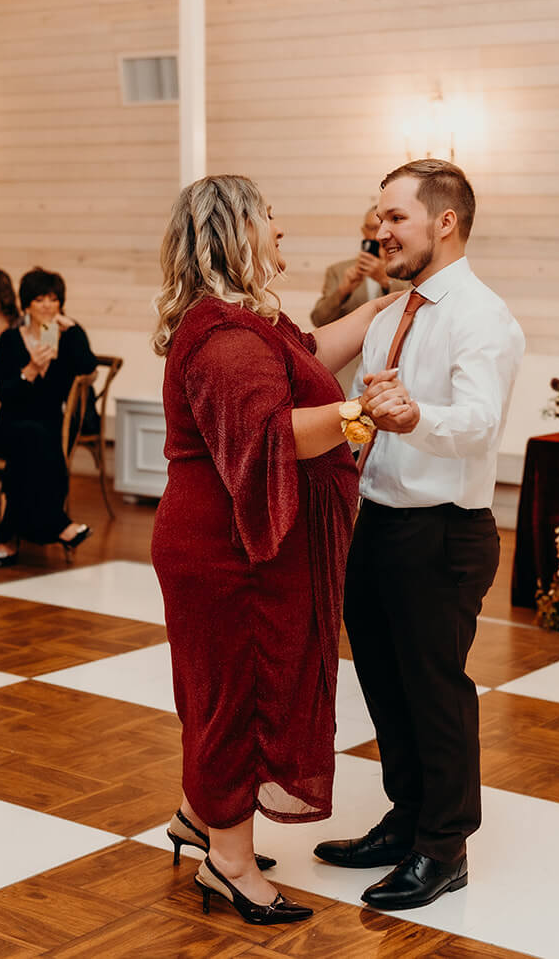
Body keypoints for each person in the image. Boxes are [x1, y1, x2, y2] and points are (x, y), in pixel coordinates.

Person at [150, 175, 404, 927]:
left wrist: (386, 307)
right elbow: (272, 437)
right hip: (227, 551)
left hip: (227, 541)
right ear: (235, 233)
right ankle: (228, 864)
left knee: (221, 686)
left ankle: (198, 815)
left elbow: (312, 350)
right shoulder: (225, 339)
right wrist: (362, 413)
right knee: (238, 694)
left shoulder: (246, 321)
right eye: (268, 217)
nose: (280, 228)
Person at [313, 159, 525, 912]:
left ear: (446, 221)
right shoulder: (392, 312)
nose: (381, 230)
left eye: (396, 216)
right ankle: (406, 817)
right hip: (378, 521)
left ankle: (443, 847)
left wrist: (415, 417)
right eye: (379, 216)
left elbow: (480, 424)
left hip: (442, 532)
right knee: (383, 682)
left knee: (436, 692)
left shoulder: (482, 316)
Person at [0, 267, 98, 567]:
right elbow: (5, 393)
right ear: (27, 305)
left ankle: (8, 534)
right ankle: (60, 526)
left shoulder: (68, 338)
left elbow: (89, 367)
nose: (48, 306)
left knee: (34, 446)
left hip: (49, 426)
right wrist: (30, 370)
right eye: (40, 300)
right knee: (33, 438)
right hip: (11, 425)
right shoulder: (11, 340)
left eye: (53, 299)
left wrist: (73, 329)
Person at [311, 208, 410, 394]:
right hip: (346, 373)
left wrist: (386, 281)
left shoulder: (405, 271)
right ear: (364, 231)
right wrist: (343, 291)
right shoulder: (339, 271)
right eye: (372, 228)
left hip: (392, 373)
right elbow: (319, 319)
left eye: (382, 226)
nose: (378, 234)